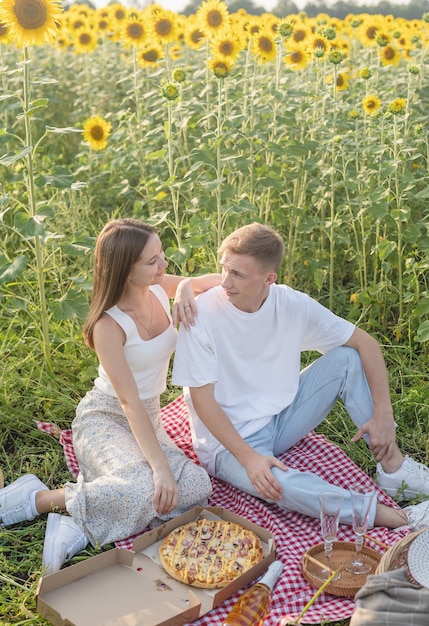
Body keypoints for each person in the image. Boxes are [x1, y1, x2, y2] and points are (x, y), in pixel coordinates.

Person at [172, 222, 429, 533]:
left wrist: (384, 415)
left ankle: (394, 468)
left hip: (282, 416)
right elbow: (202, 401)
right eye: (224, 269)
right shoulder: (199, 315)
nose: (225, 282)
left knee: (346, 358)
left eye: (238, 274)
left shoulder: (291, 304)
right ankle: (399, 518)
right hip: (229, 443)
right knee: (280, 488)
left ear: (269, 279)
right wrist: (250, 459)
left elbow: (366, 344)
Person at [0, 218, 221, 574]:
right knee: (146, 487)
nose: (163, 265)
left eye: (161, 255)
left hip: (148, 418)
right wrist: (161, 467)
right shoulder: (109, 324)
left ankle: (78, 521)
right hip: (104, 418)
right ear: (125, 268)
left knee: (196, 486)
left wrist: (185, 288)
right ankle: (40, 500)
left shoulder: (160, 287)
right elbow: (128, 402)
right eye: (152, 261)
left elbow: (224, 283)